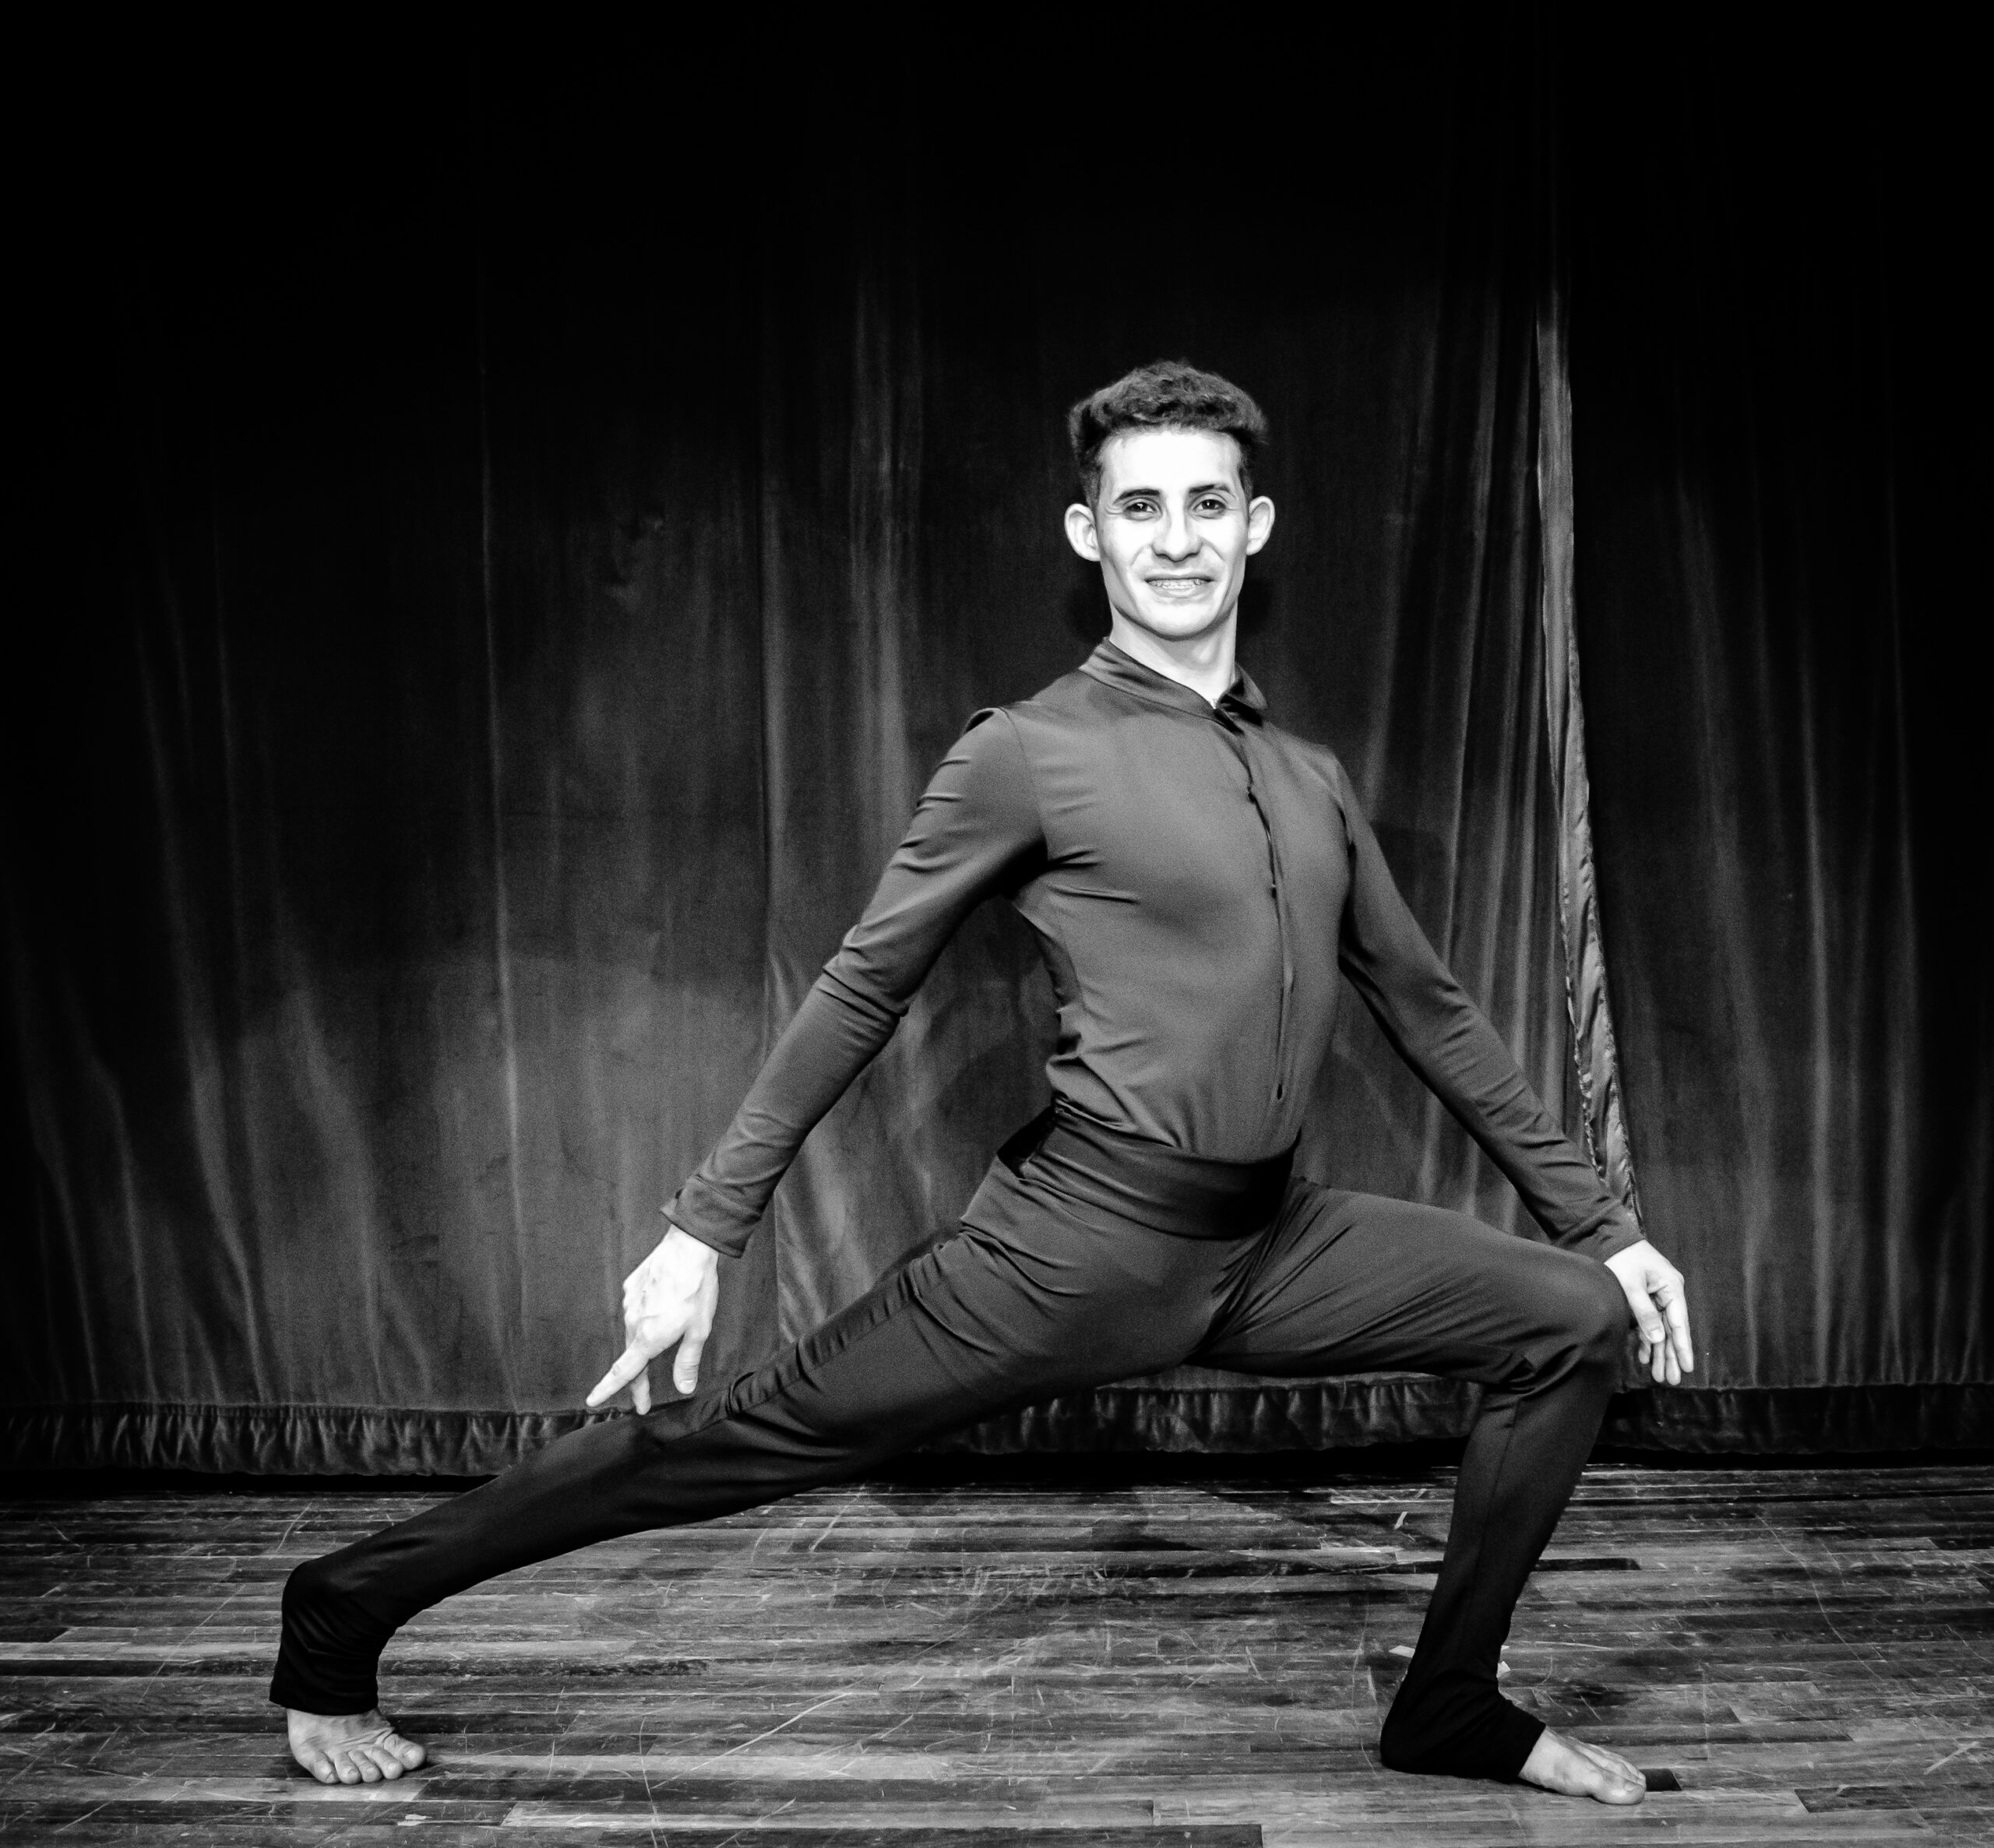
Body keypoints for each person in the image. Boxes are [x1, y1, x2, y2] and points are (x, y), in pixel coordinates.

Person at [274, 360, 1693, 1806]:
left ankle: (1450, 1703)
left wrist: (1603, 1226)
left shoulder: (1308, 773)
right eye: (1141, 508)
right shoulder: (1030, 750)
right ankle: (338, 1611)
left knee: (1570, 1318)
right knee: (721, 1442)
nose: (1178, 539)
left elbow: (1428, 1006)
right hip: (1073, 1249)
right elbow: (862, 982)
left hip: (1271, 1241)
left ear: (1256, 524)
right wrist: (705, 1224)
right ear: (1090, 535)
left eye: (1208, 505)